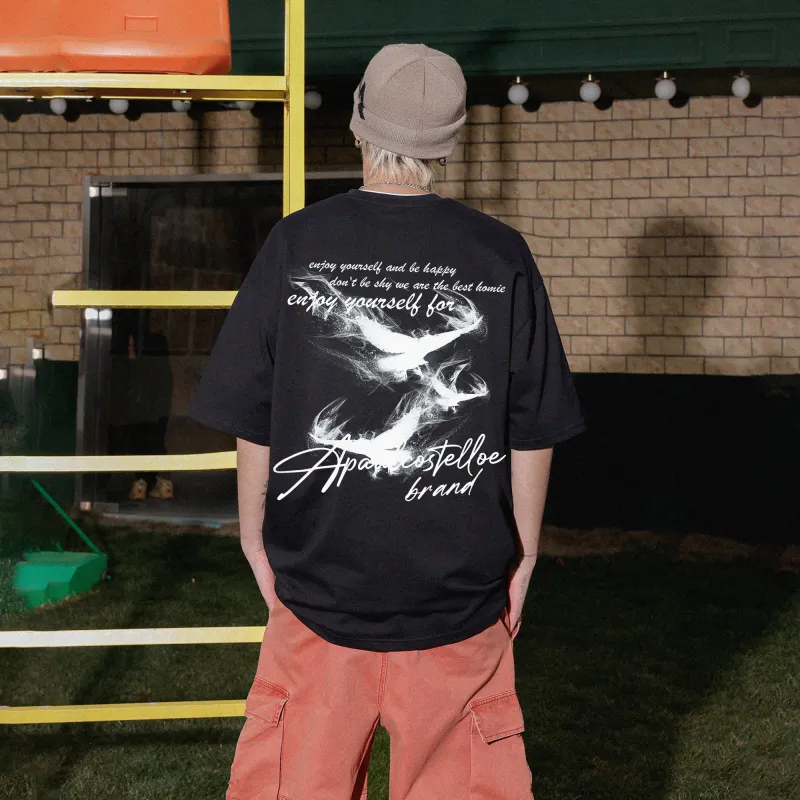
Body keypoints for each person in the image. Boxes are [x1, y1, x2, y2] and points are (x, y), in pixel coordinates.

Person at [189, 43, 586, 800]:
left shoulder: (297, 243)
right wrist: (525, 555)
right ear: (452, 139)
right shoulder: (499, 252)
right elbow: (532, 427)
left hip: (318, 594)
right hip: (459, 599)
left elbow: (253, 413)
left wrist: (254, 537)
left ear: (356, 123)